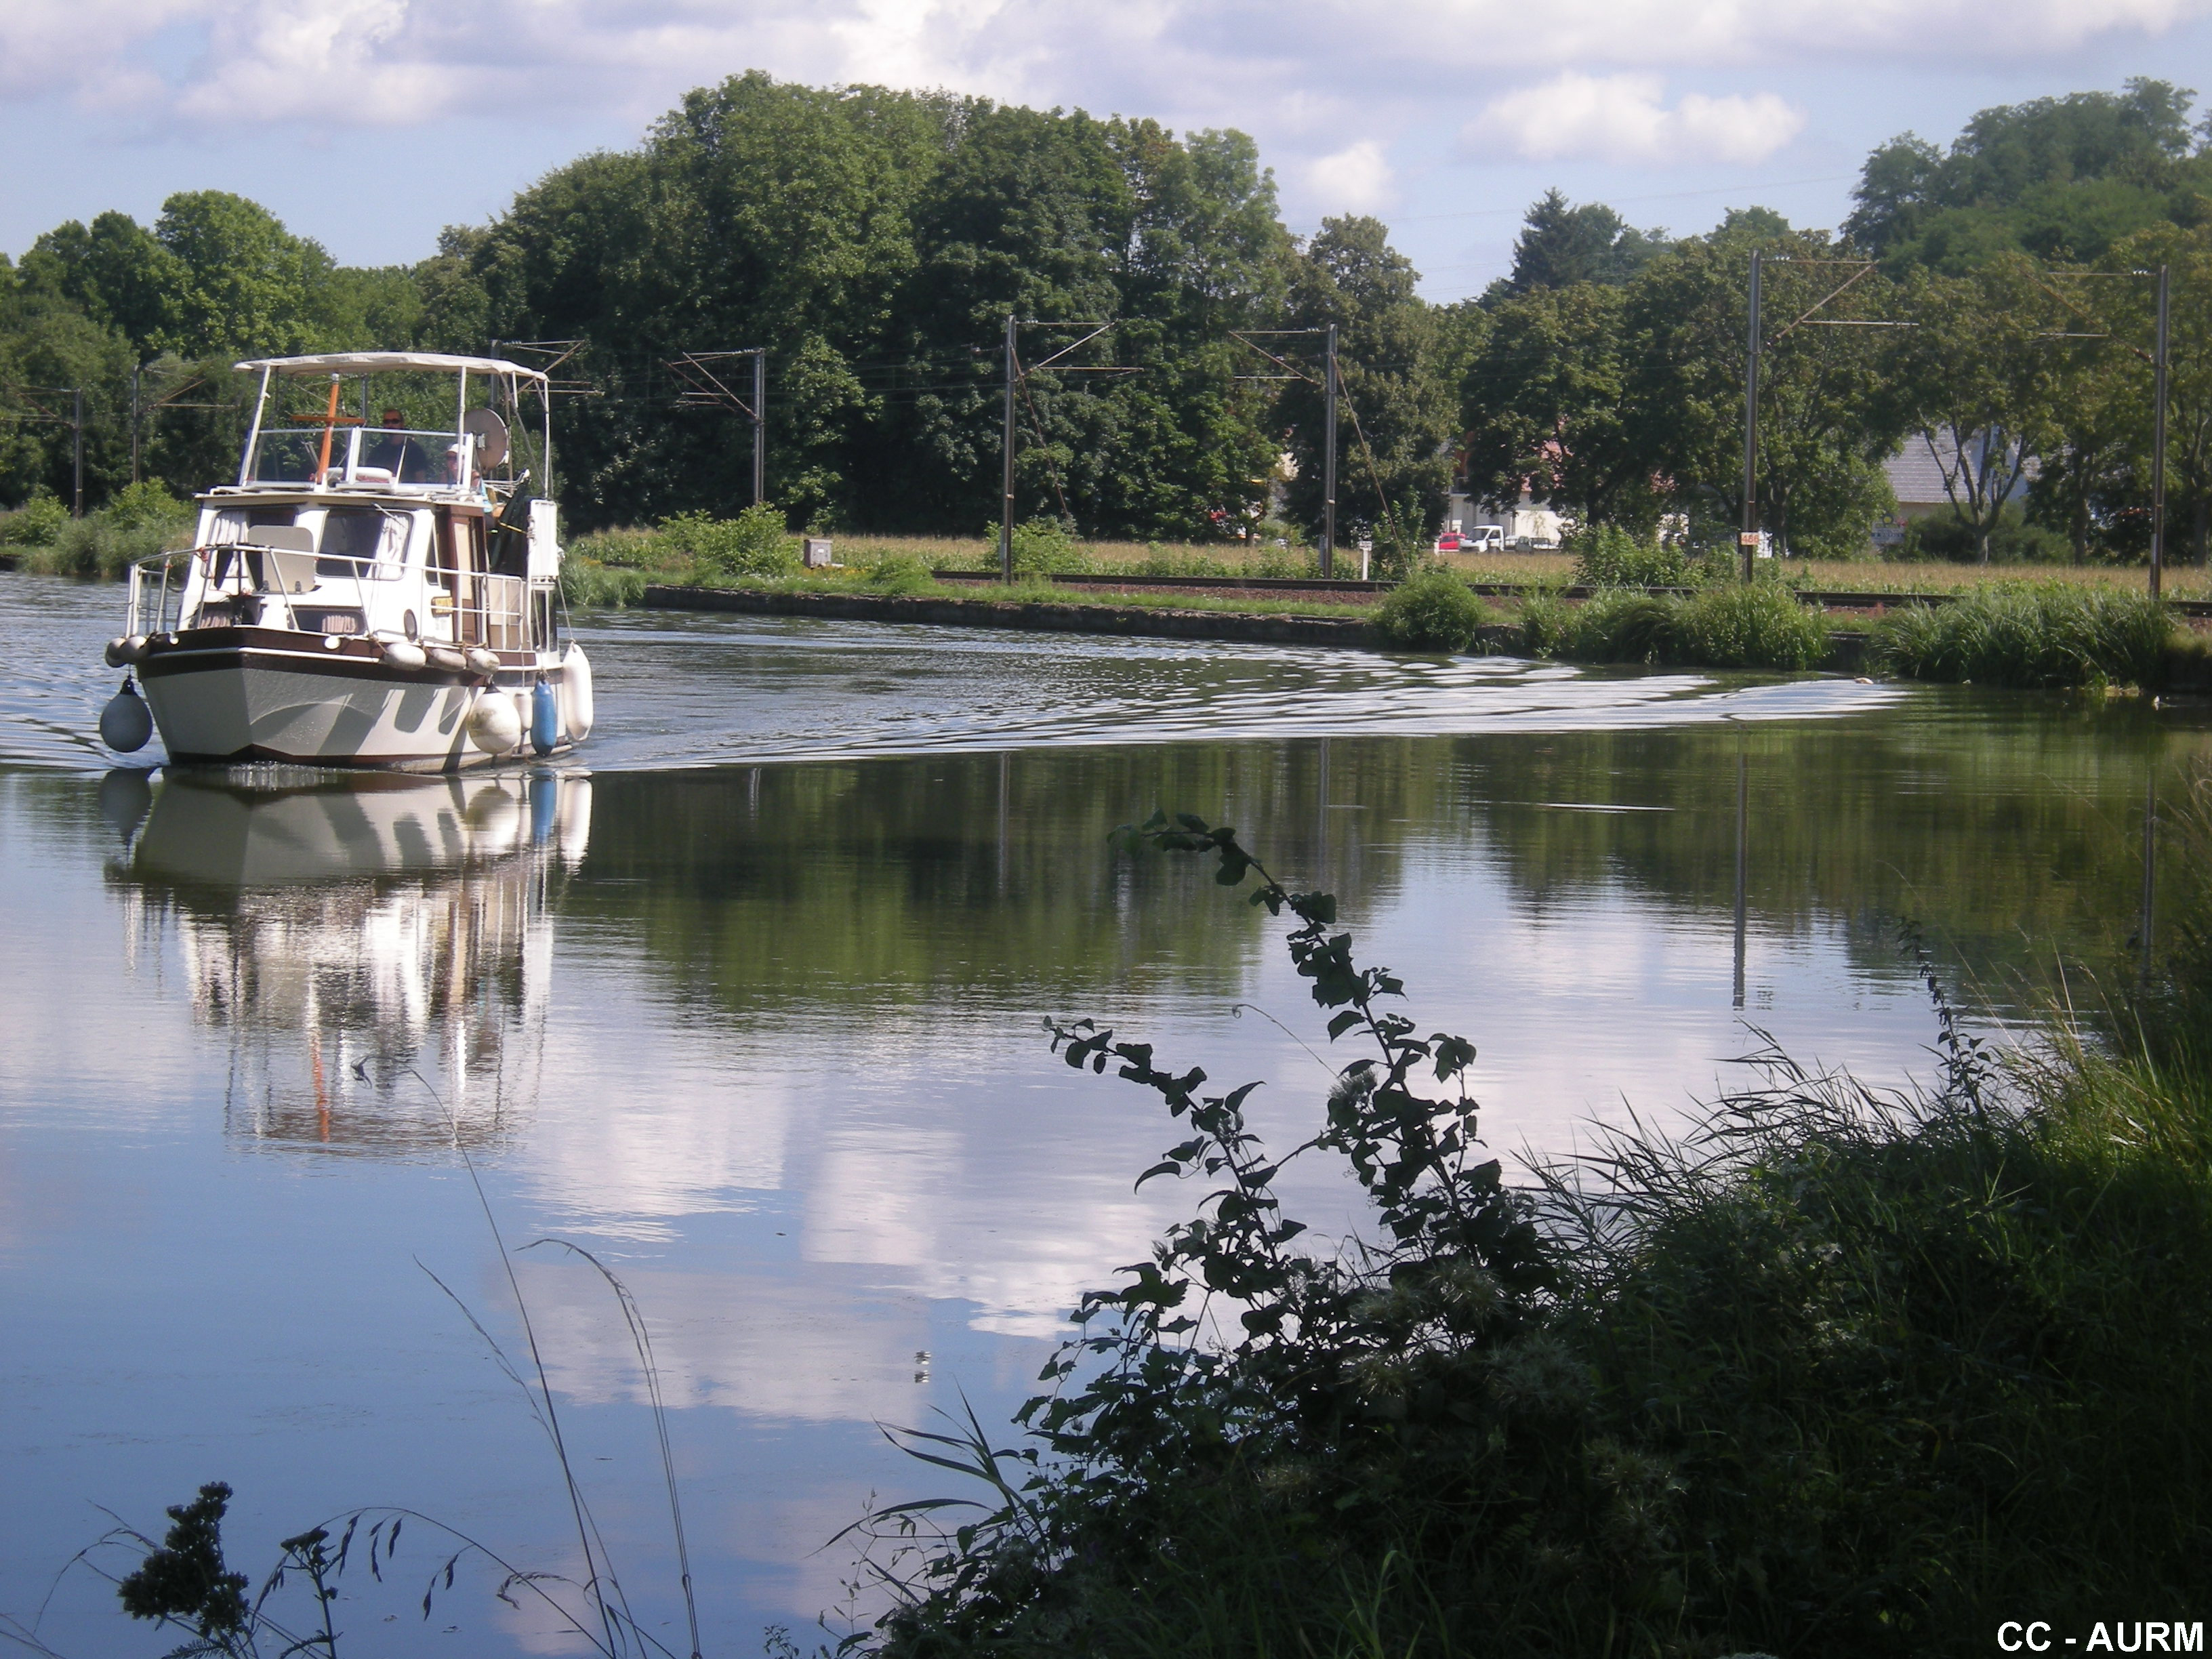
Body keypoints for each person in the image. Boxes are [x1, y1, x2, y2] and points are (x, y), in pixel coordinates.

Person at [363, 410, 443, 483]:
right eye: (386, 422)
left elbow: (420, 480)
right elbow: (367, 474)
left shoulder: (415, 451)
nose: (390, 425)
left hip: (404, 494)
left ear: (402, 424)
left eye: (395, 421)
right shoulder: (378, 450)